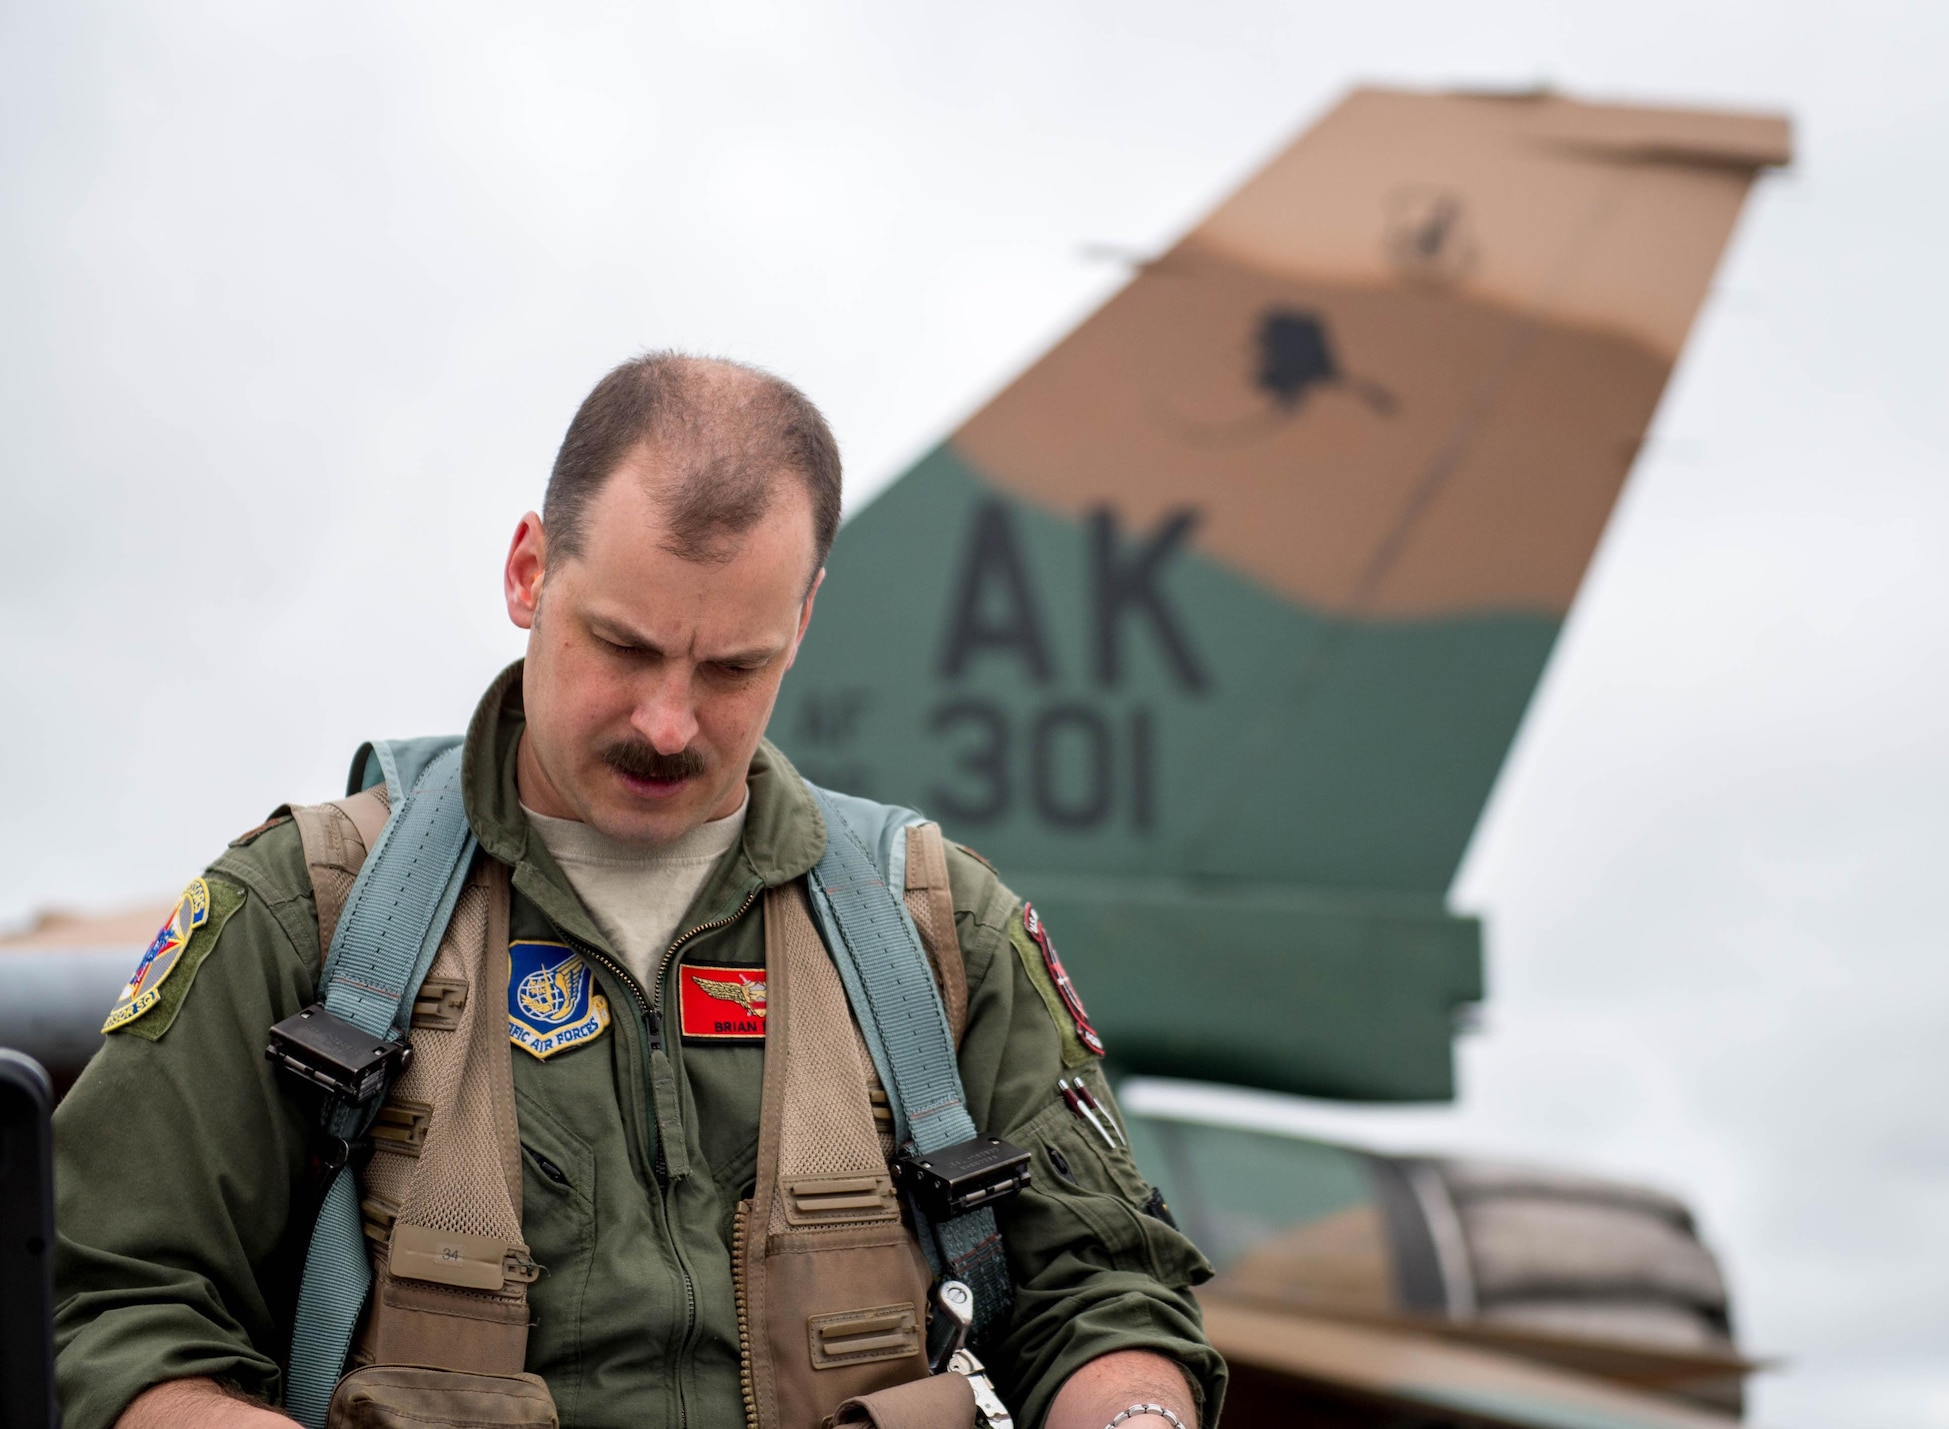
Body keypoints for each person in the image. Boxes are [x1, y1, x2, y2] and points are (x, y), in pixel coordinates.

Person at [52, 354, 1225, 1429]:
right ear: (527, 574)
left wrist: (1131, 1415)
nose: (668, 723)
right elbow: (102, 1300)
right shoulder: (304, 916)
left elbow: (1107, 1286)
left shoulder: (934, 928)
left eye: (731, 667)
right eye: (621, 645)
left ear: (802, 621)